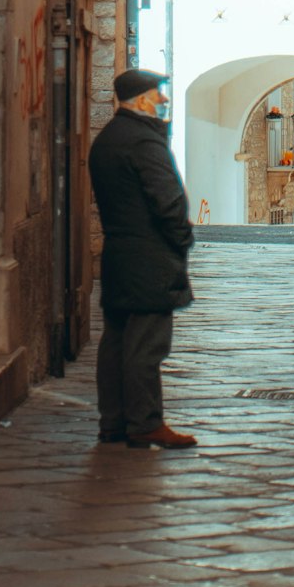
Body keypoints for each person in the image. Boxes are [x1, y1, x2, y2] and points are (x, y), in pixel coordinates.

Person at [88, 68, 197, 449]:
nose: (163, 101)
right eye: (158, 94)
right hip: (149, 256)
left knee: (116, 339)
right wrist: (182, 239)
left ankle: (113, 421)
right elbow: (167, 199)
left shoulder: (108, 140)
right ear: (141, 100)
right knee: (146, 345)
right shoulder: (143, 142)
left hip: (119, 253)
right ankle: (145, 422)